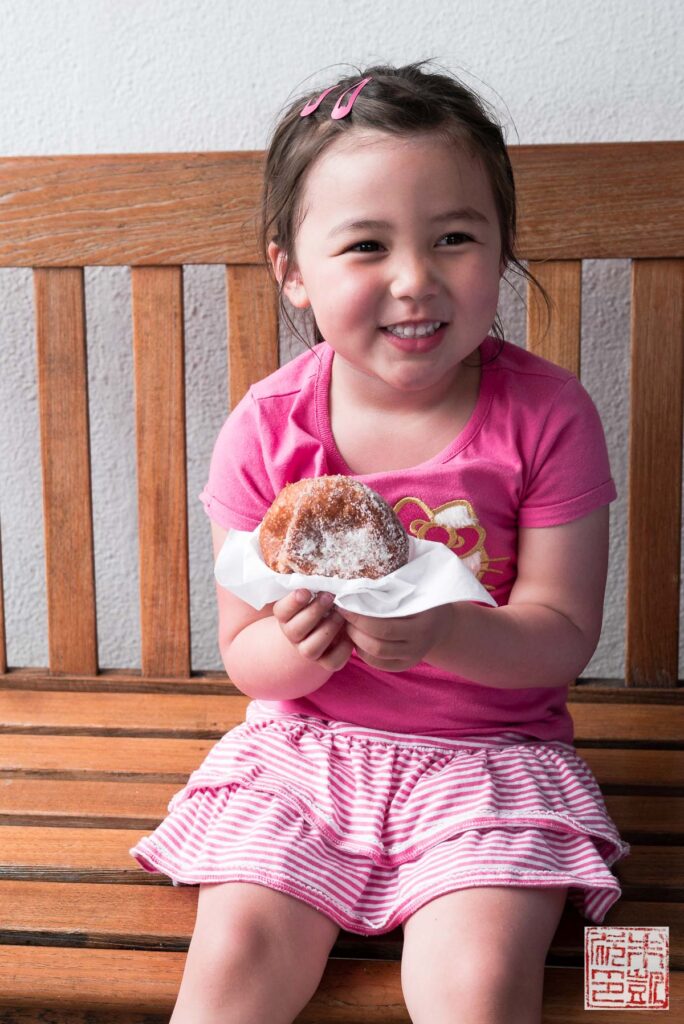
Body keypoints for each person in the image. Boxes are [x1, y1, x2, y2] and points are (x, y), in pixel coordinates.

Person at [130, 60, 630, 1024]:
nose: (415, 279)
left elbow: (562, 633)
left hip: (490, 759)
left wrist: (443, 633)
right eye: (366, 244)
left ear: (500, 247)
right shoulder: (271, 428)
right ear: (293, 270)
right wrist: (296, 650)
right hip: (309, 751)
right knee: (234, 958)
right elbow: (249, 660)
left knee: (477, 985)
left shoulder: (548, 416)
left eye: (454, 237)